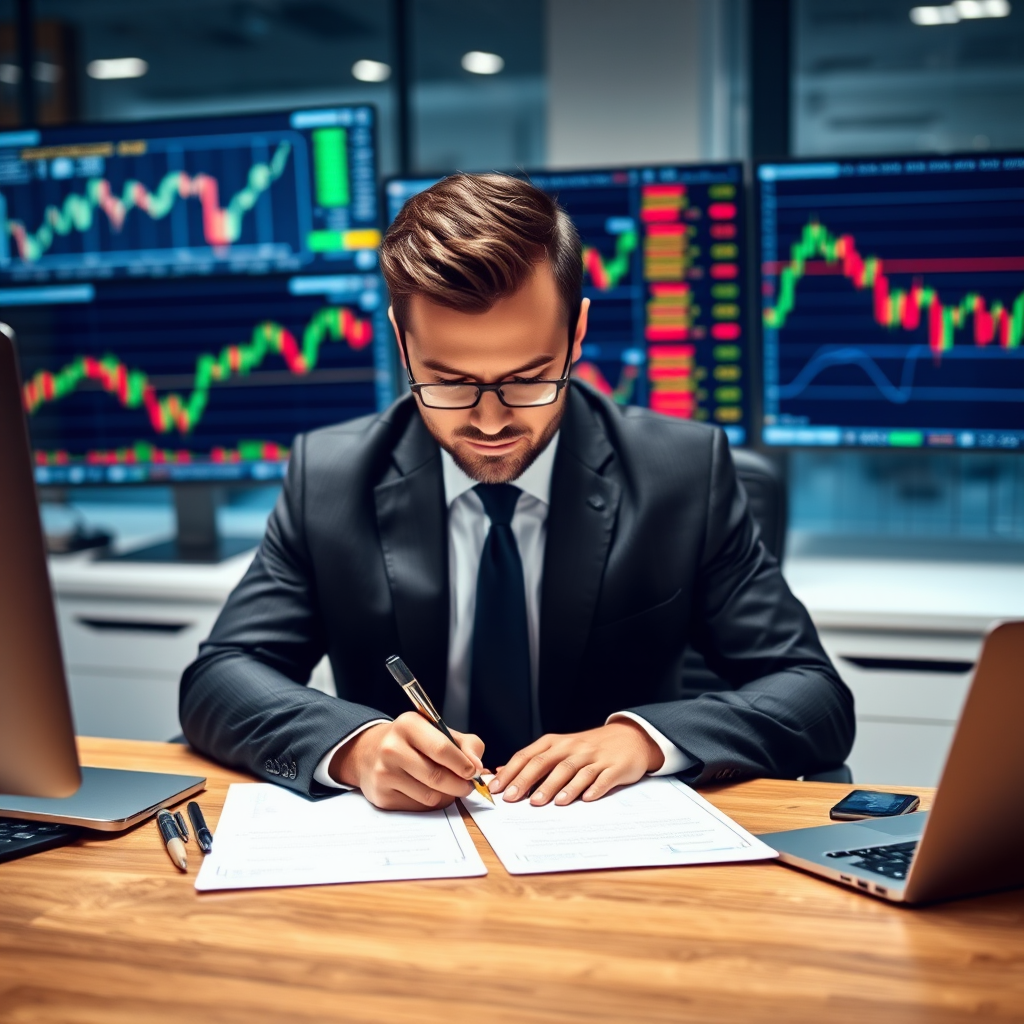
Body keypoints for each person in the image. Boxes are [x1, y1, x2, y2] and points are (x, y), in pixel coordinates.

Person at [180, 173, 854, 812]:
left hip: (612, 857)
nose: (492, 420)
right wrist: (356, 748)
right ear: (401, 342)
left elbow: (813, 696)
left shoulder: (683, 472)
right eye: (448, 382)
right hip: (402, 861)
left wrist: (645, 741)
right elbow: (221, 678)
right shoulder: (329, 476)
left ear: (577, 333)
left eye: (530, 378)